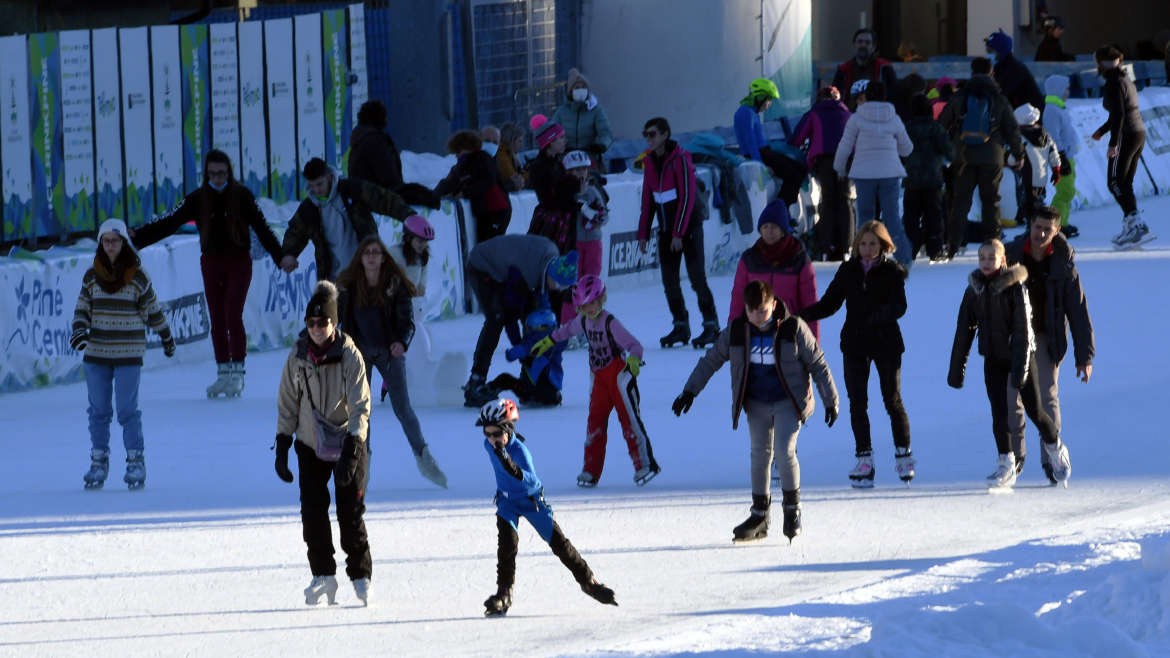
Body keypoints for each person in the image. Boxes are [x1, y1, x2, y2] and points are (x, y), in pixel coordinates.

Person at [673, 280, 838, 543]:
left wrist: (830, 399)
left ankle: (792, 509)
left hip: (788, 401)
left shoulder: (793, 329)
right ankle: (760, 515)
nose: (757, 316)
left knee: (784, 452)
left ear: (773, 305)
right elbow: (711, 360)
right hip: (756, 403)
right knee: (759, 455)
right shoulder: (737, 332)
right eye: (752, 311)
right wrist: (689, 391)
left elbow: (818, 362)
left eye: (762, 310)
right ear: (745, 309)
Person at [131, 149, 282, 398]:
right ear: (206, 174)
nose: (217, 178)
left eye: (222, 173)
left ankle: (238, 373)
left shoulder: (242, 196)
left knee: (233, 313)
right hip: (211, 262)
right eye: (212, 174)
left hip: (238, 262)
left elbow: (262, 228)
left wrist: (281, 256)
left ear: (229, 172)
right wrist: (140, 237)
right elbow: (170, 221)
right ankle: (223, 373)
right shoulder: (198, 198)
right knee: (217, 317)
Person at [274, 280, 373, 606]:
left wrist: (355, 445)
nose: (317, 329)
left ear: (334, 323)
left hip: (347, 442)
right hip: (309, 442)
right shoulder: (298, 355)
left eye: (323, 322)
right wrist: (283, 443)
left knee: (350, 512)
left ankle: (360, 576)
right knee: (313, 513)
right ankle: (323, 575)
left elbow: (361, 405)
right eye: (311, 323)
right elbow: (288, 401)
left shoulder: (349, 355)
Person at [947, 239, 1071, 489]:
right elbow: (964, 330)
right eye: (982, 257)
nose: (986, 262)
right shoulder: (975, 290)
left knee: (1034, 409)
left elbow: (1025, 332)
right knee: (999, 413)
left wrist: (1021, 370)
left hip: (1021, 357)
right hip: (993, 358)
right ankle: (1006, 462)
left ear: (1003, 260)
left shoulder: (1016, 288)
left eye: (991, 257)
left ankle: (1054, 446)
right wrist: (956, 369)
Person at [476, 399, 617, 616]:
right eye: (488, 433)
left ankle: (588, 581)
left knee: (560, 545)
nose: (492, 439)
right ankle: (504, 594)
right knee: (506, 546)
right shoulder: (489, 445)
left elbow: (533, 481)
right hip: (507, 503)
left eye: (496, 434)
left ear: (508, 430)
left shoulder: (520, 452)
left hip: (532, 502)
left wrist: (514, 469)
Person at [800, 221, 912, 487]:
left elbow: (900, 306)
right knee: (857, 402)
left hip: (886, 343)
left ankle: (903, 454)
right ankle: (865, 459)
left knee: (892, 399)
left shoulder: (892, 271)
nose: (867, 248)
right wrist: (801, 315)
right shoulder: (848, 270)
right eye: (863, 243)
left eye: (873, 243)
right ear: (856, 245)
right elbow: (830, 303)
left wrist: (876, 317)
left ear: (883, 245)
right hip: (855, 343)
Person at [337, 235, 447, 489]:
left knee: (403, 409)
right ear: (361, 258)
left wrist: (401, 342)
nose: (373, 257)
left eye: (377, 252)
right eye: (368, 253)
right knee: (360, 411)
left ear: (384, 257)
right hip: (360, 353)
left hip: (389, 353)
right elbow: (340, 319)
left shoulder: (395, 284)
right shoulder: (351, 285)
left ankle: (425, 459)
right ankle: (363, 464)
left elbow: (407, 322)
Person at [72, 219, 176, 491]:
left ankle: (135, 460)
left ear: (123, 243)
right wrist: (79, 330)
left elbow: (152, 311)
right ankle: (99, 460)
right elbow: (82, 308)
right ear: (100, 243)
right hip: (96, 353)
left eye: (115, 241)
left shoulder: (137, 277)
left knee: (128, 410)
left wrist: (165, 335)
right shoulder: (91, 276)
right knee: (98, 411)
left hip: (128, 352)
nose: (110, 246)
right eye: (105, 241)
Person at [529, 275, 659, 488]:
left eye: (593, 302)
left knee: (629, 421)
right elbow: (567, 330)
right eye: (584, 305)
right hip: (599, 378)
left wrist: (634, 361)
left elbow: (635, 345)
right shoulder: (583, 321)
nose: (589, 308)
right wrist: (549, 340)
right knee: (595, 424)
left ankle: (645, 465)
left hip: (618, 376)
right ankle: (590, 470)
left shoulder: (610, 322)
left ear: (602, 299)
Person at [1004, 208, 1093, 483]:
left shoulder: (1063, 263)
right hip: (1015, 335)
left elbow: (1078, 310)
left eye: (1047, 229)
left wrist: (1084, 357)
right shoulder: (1011, 254)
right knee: (1011, 396)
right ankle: (1014, 457)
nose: (1041, 233)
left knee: (1046, 395)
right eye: (1037, 227)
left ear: (1056, 231)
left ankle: (1051, 456)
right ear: (1030, 225)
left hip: (1046, 336)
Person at [462, 233, 578, 407]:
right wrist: (520, 348)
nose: (560, 290)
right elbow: (510, 317)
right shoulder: (528, 273)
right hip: (482, 265)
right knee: (497, 318)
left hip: (511, 266)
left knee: (534, 313)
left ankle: (531, 380)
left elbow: (542, 305)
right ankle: (476, 381)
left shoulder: (550, 261)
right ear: (551, 275)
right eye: (559, 285)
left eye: (565, 287)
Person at [637, 116, 720, 349]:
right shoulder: (649, 162)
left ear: (665, 134)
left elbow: (687, 198)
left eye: (652, 134)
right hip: (666, 230)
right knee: (670, 281)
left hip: (688, 227)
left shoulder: (681, 159)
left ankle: (711, 324)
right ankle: (681, 325)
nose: (648, 139)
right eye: (646, 135)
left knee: (696, 278)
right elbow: (648, 201)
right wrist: (642, 234)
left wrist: (678, 233)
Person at [938, 57, 1024, 257]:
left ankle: (954, 245)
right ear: (991, 73)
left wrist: (948, 148)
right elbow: (1012, 129)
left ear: (971, 72)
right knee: (991, 200)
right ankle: (993, 243)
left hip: (963, 156)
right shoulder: (999, 98)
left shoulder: (960, 96)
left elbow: (942, 123)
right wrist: (1018, 153)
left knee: (960, 201)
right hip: (992, 156)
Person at [279, 157, 415, 282]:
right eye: (312, 186)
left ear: (329, 176)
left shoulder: (352, 190)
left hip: (366, 272)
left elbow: (382, 199)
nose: (316, 190)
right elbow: (295, 231)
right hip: (334, 278)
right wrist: (289, 253)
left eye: (319, 184)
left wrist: (408, 216)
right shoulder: (309, 208)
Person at [832, 80, 915, 268]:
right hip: (890, 173)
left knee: (865, 219)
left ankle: (862, 259)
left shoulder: (856, 118)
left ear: (866, 96)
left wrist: (840, 168)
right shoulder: (894, 118)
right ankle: (904, 259)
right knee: (892, 218)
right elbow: (907, 148)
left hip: (864, 174)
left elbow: (845, 146)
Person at [728, 200, 819, 341]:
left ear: (783, 230)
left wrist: (813, 344)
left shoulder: (798, 258)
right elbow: (738, 299)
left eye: (774, 227)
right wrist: (732, 335)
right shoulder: (750, 259)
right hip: (755, 332)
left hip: (790, 333)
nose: (769, 231)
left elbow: (810, 305)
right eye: (765, 227)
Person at [1091, 46, 1153, 247]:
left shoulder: (1113, 83)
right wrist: (1103, 130)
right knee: (1124, 182)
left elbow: (1119, 115)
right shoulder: (1126, 79)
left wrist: (1113, 143)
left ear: (1102, 63)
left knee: (1115, 182)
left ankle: (1136, 225)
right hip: (1138, 132)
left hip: (1126, 135)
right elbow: (1122, 111)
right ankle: (1134, 224)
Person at [789, 85, 854, 261]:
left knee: (828, 200)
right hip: (846, 160)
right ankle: (845, 244)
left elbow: (797, 138)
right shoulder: (847, 113)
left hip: (825, 161)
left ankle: (826, 245)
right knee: (844, 201)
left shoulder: (815, 112)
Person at [733, 77, 806, 207]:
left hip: (765, 152)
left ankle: (782, 208)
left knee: (800, 169)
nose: (769, 103)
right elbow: (750, 143)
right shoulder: (745, 112)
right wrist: (761, 166)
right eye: (769, 99)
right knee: (794, 175)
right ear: (759, 97)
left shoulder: (751, 112)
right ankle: (780, 209)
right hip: (759, 155)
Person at [434, 130, 512, 243]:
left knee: (490, 247)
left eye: (458, 151)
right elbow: (451, 182)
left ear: (467, 147)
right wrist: (435, 195)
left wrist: (465, 193)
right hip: (485, 214)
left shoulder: (482, 159)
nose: (456, 154)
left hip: (496, 211)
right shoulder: (463, 164)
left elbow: (486, 182)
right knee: (483, 247)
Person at [902, 94, 955, 261]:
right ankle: (935, 248)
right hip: (933, 179)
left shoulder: (907, 128)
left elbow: (900, 151)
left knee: (911, 216)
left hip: (912, 179)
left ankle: (911, 247)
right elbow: (950, 152)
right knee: (934, 216)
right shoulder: (936, 128)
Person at [490, 306, 565, 407]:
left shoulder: (531, 344)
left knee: (505, 379)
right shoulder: (556, 342)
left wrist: (510, 353)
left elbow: (512, 355)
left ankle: (488, 390)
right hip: (552, 394)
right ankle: (553, 397)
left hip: (534, 392)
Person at [1010, 103, 1062, 228]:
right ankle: (1036, 228)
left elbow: (1013, 159)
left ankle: (1031, 231)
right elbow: (1053, 153)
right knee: (1037, 204)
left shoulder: (1020, 138)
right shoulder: (1044, 134)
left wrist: (1007, 161)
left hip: (1026, 178)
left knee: (1029, 207)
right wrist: (1056, 169)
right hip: (1041, 177)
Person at [550, 68, 613, 167]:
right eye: (577, 87)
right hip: (565, 158)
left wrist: (601, 145)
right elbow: (552, 133)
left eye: (584, 87)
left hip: (589, 157)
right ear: (570, 91)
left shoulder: (595, 110)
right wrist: (558, 148)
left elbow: (606, 133)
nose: (581, 90)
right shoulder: (561, 112)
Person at [1042, 75, 1080, 237]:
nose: (1067, 92)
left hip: (1067, 156)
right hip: (1061, 158)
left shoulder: (1059, 108)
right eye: (1065, 89)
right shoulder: (1051, 110)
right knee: (1065, 191)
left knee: (1068, 191)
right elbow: (1053, 137)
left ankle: (1062, 222)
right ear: (1057, 90)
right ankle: (1054, 224)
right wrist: (1061, 158)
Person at [564, 149, 609, 279]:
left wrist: (587, 210)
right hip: (573, 242)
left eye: (584, 169)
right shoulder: (565, 191)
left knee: (592, 278)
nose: (581, 173)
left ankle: (590, 299)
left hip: (593, 241)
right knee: (573, 280)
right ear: (568, 172)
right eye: (577, 170)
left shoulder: (593, 191)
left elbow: (604, 217)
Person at [833, 28, 900, 110]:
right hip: (850, 115)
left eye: (867, 42)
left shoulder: (885, 68)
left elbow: (894, 95)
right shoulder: (843, 70)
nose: (863, 45)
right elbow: (835, 97)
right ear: (854, 44)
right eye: (860, 42)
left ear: (874, 47)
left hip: (878, 114)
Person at [348, 100, 403, 192]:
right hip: (380, 199)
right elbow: (389, 176)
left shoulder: (360, 139)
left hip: (365, 198)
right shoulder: (375, 141)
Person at [985, 29, 1045, 112]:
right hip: (1020, 114)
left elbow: (1001, 94)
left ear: (1000, 51)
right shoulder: (1000, 67)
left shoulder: (1014, 69)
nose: (988, 54)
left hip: (1031, 116)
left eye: (990, 51)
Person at [496, 122, 527, 191]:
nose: (521, 145)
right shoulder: (502, 156)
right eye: (519, 141)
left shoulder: (509, 154)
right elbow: (513, 177)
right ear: (511, 140)